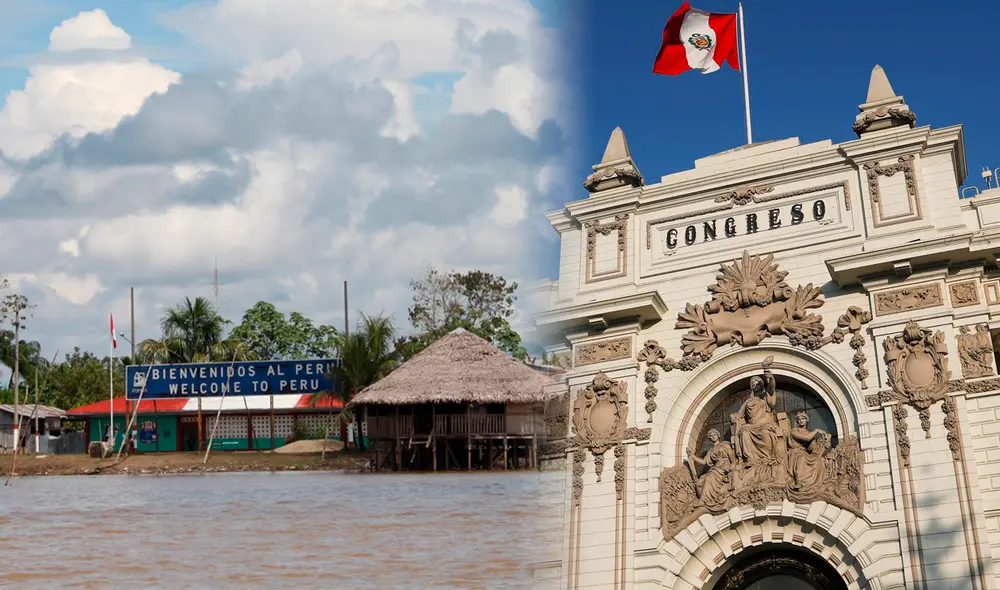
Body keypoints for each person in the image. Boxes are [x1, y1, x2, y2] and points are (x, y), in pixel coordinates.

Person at [686, 429, 736, 512]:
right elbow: (704, 462)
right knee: (699, 481)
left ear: (718, 435)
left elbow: (732, 457)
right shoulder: (710, 451)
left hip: (724, 467)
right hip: (716, 468)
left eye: (714, 435)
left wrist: (732, 467)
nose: (713, 437)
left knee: (709, 477)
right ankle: (705, 499)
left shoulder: (725, 444)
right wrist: (692, 455)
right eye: (711, 436)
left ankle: (703, 500)